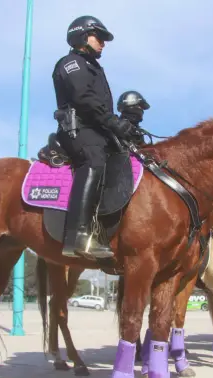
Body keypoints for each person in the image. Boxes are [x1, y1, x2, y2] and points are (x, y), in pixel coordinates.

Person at [52, 16, 138, 258]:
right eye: (99, 37)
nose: (103, 43)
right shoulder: (72, 63)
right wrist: (113, 122)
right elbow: (84, 99)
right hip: (77, 131)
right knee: (94, 161)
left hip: (97, 130)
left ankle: (104, 229)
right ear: (82, 36)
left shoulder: (94, 67)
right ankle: (78, 235)